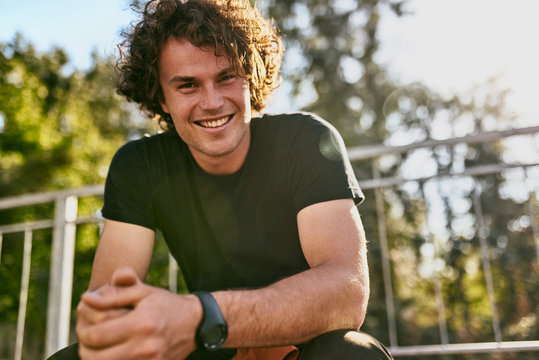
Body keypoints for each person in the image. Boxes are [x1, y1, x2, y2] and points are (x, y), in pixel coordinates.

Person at [49, 0, 393, 359]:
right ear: (161, 97)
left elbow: (346, 293)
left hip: (298, 348)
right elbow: (107, 314)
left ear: (251, 77)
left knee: (351, 353)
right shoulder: (139, 165)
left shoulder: (306, 141)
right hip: (209, 348)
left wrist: (204, 316)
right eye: (187, 86)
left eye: (226, 77)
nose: (212, 102)